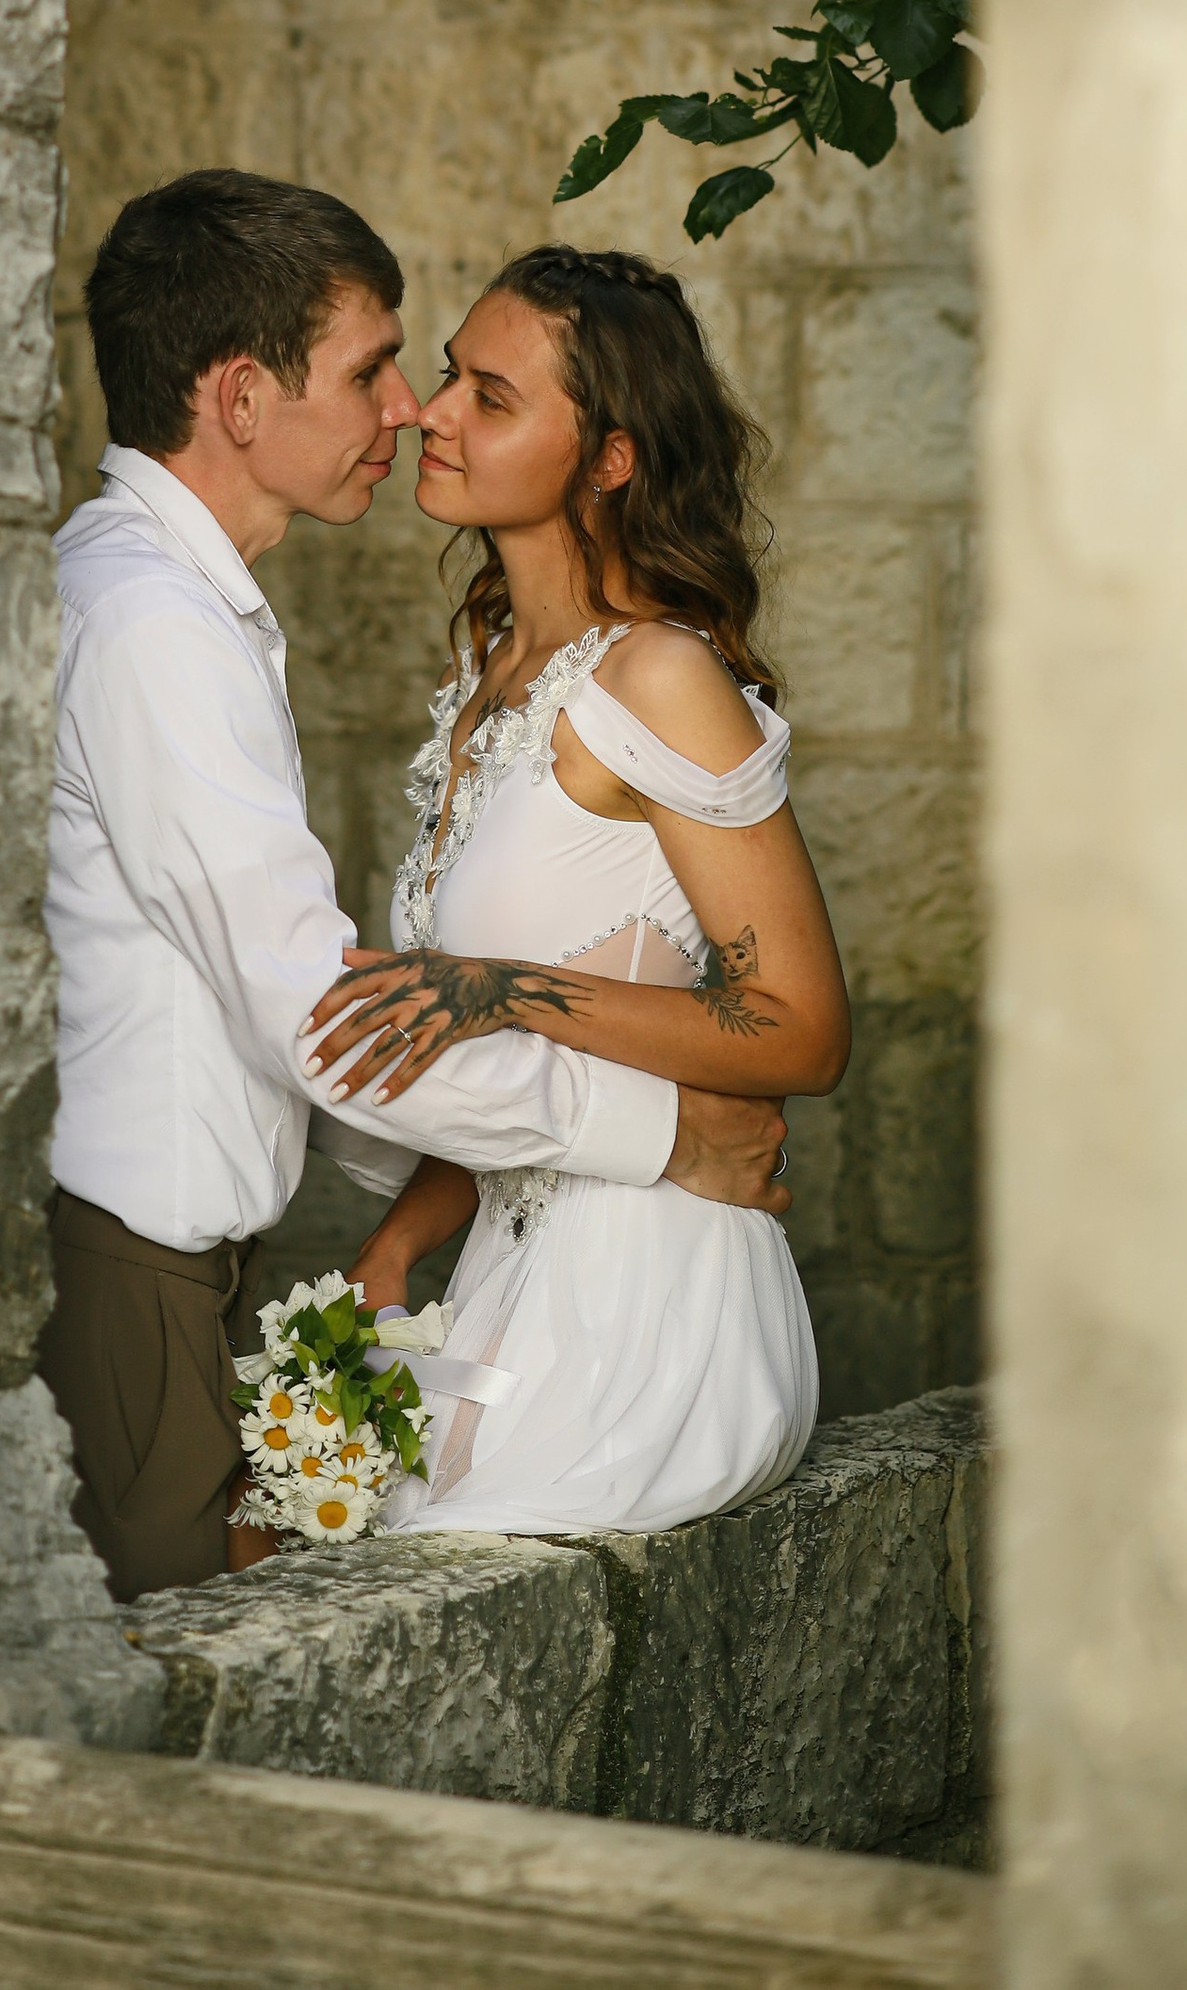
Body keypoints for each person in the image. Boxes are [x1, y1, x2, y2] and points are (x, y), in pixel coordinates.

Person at [39, 172, 795, 1601]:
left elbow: (368, 1015)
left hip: (570, 1295)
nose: (410, 410)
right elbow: (319, 1012)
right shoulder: (157, 627)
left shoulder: (163, 601)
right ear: (242, 398)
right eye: (381, 369)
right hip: (145, 1267)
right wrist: (666, 1131)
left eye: (458, 385)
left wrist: (395, 1237)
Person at [303, 244, 847, 1536]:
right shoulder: (491, 665)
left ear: (609, 457)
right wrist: (397, 1247)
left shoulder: (662, 678)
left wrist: (497, 985)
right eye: (447, 379)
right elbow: (507, 1061)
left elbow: (802, 1033)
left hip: (649, 1290)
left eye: (490, 398)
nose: (431, 413)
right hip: (506, 1262)